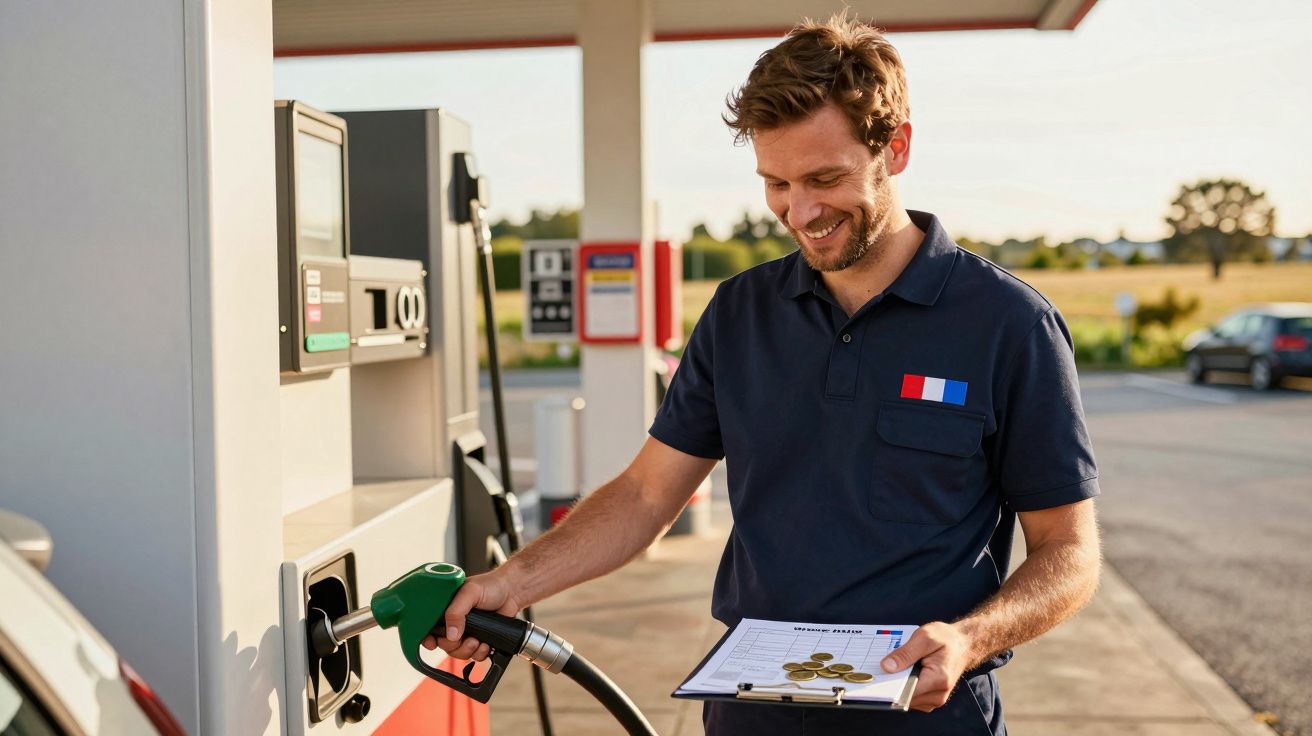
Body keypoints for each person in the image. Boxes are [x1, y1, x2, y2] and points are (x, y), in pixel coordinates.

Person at [430, 12, 1101, 735]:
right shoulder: (739, 313)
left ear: (896, 149)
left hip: (928, 716)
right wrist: (511, 583)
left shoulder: (1008, 325)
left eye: (825, 178)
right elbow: (646, 494)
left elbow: (1069, 552)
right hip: (751, 713)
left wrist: (970, 638)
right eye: (776, 182)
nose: (800, 211)